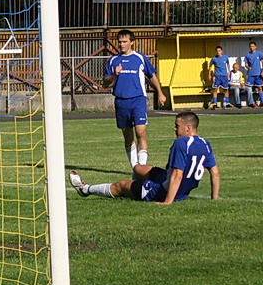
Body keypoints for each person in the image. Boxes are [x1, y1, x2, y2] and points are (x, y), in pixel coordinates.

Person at [69, 111, 220, 204]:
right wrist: (215, 199)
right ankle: (136, 187)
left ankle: (85, 189)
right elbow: (215, 172)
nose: (174, 128)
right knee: (138, 168)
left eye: (177, 125)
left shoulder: (181, 143)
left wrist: (167, 201)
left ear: (188, 128)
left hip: (164, 191)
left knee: (121, 185)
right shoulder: (205, 144)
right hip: (175, 185)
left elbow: (177, 175)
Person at [103, 29, 167, 167]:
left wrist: (160, 93)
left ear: (132, 42)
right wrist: (114, 75)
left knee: (140, 132)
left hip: (138, 100)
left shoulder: (140, 58)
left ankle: (142, 167)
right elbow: (105, 82)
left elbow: (152, 76)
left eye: (124, 41)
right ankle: (134, 167)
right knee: (128, 135)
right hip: (121, 101)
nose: (121, 44)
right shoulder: (113, 60)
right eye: (119, 42)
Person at [243, 41, 263, 107]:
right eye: (250, 46)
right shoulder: (247, 55)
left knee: (260, 87)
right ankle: (251, 102)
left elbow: (262, 62)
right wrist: (247, 67)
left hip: (258, 73)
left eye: (253, 46)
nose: (251, 48)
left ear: (255, 47)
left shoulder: (259, 53)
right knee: (249, 88)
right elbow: (246, 64)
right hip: (251, 74)